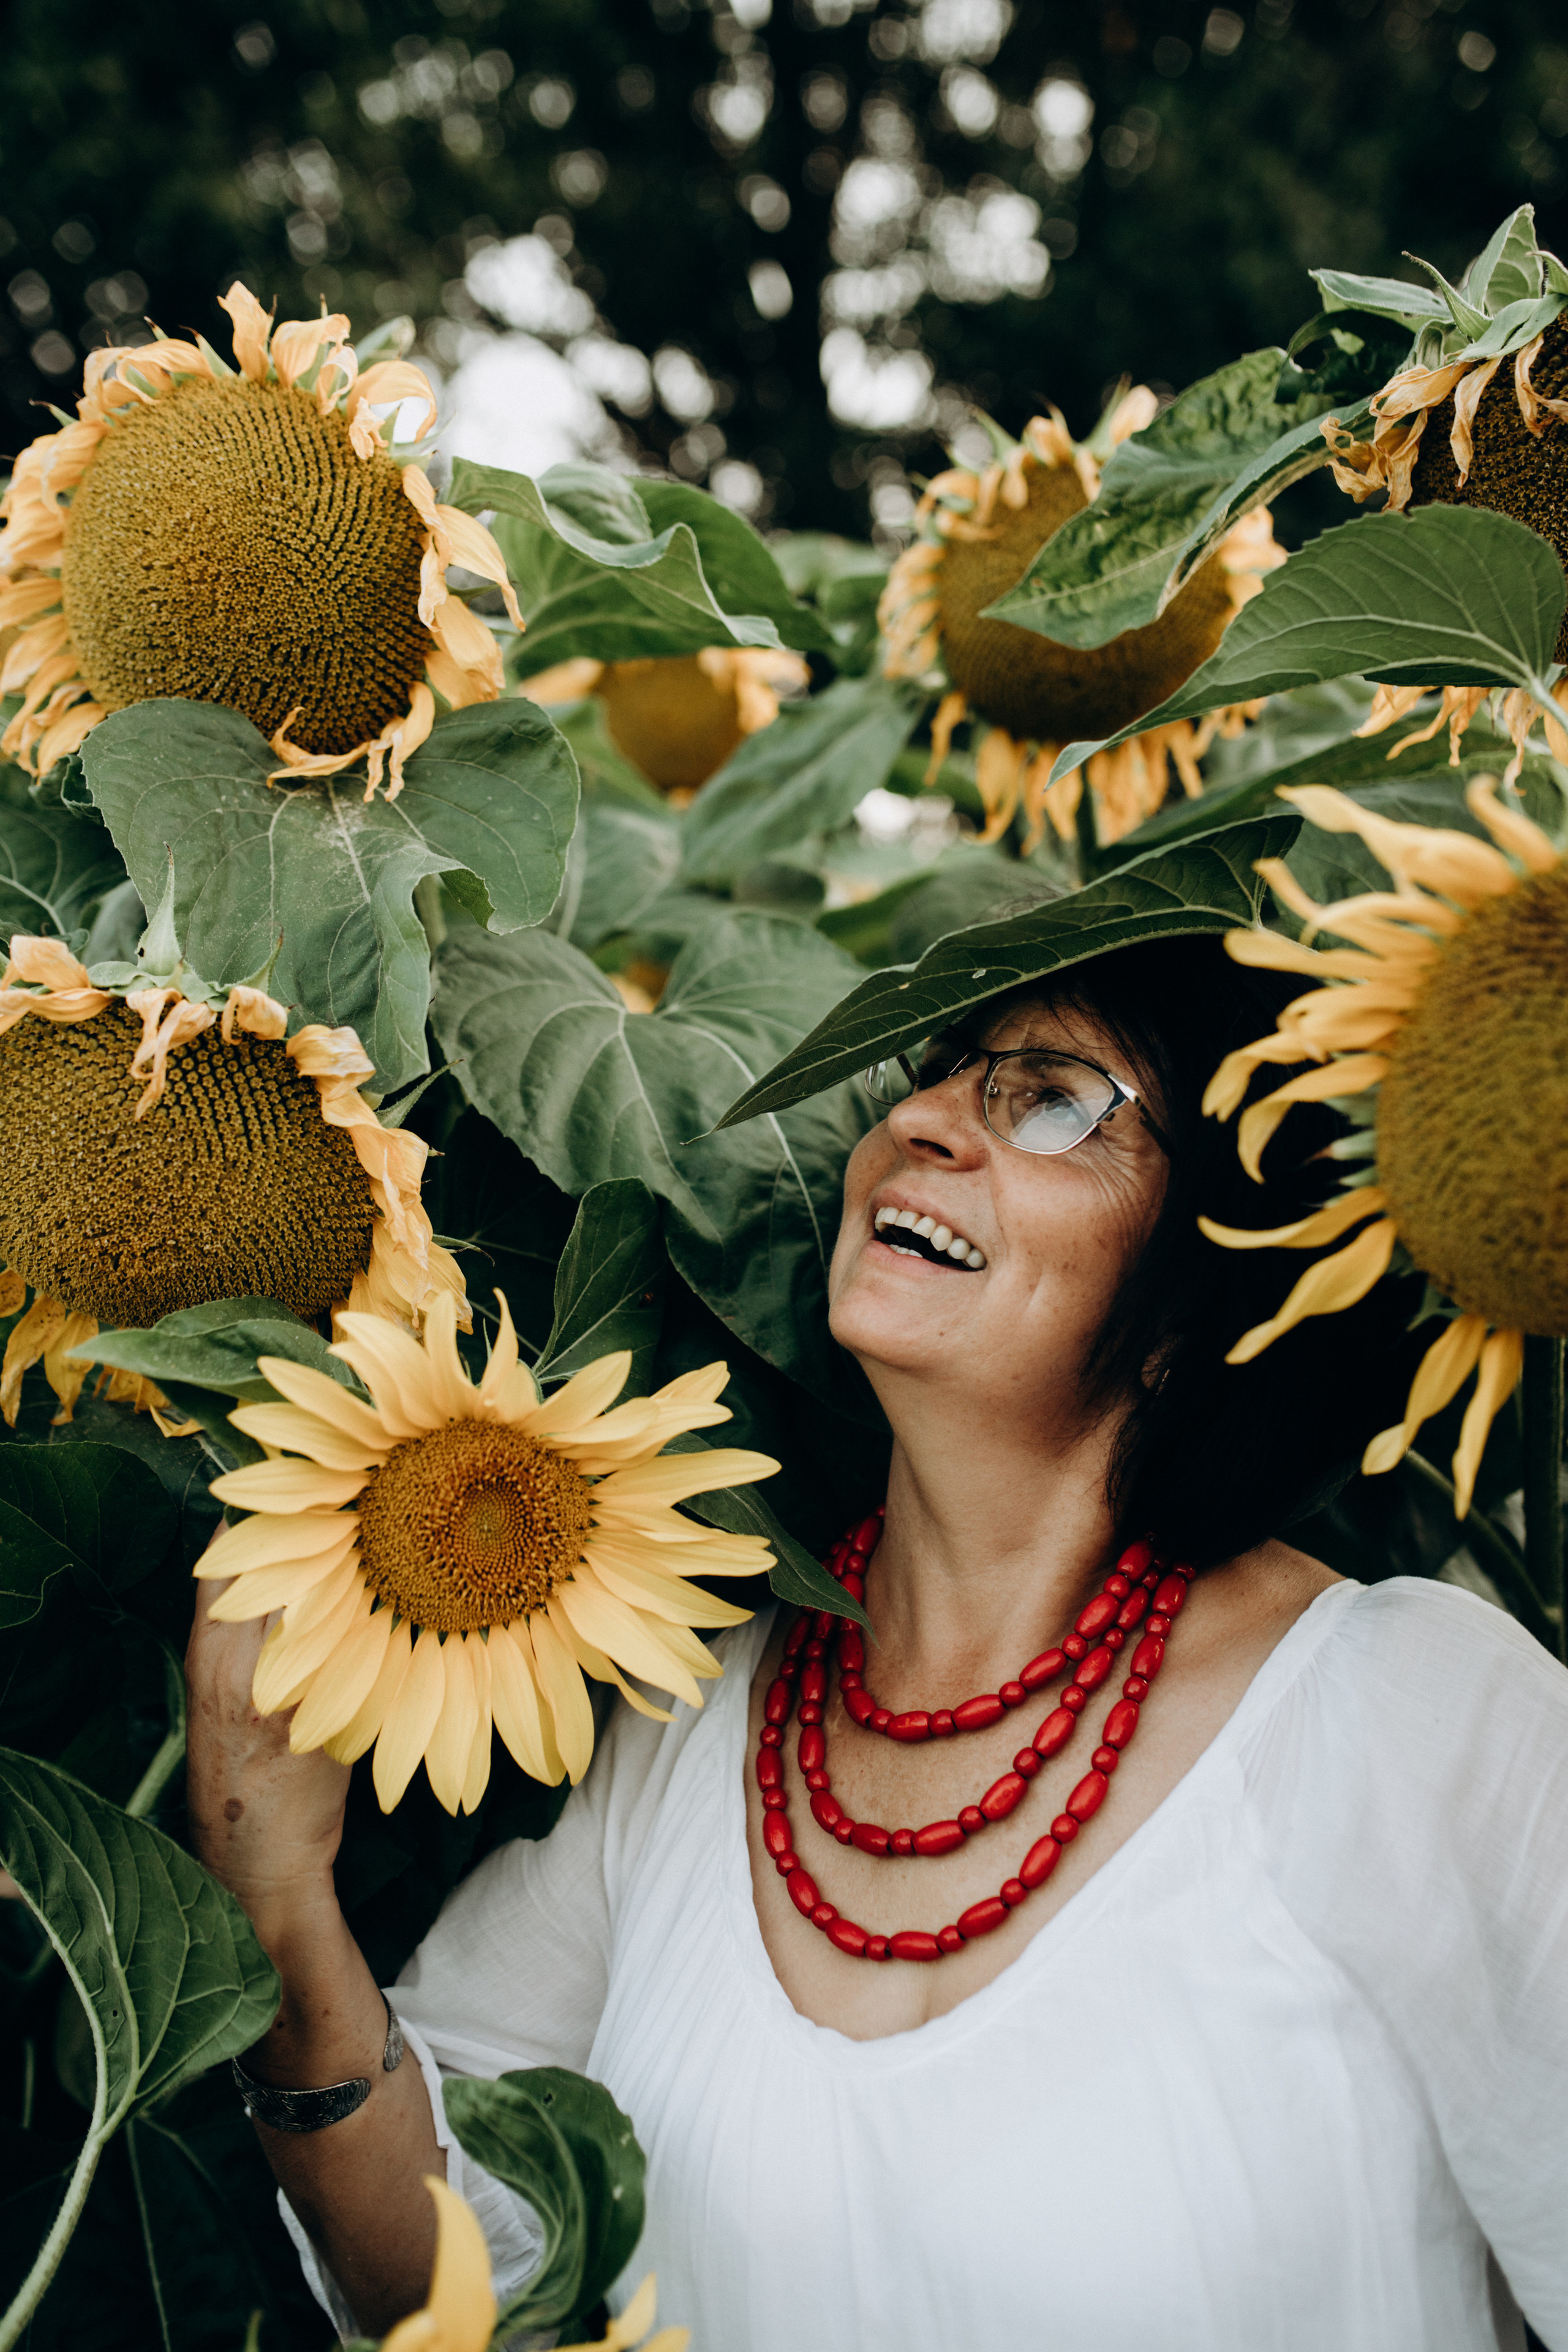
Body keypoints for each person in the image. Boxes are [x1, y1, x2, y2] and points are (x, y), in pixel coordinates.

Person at [187, 934, 1568, 2352]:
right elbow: (465, 2277)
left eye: (1049, 1101)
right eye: (935, 1075)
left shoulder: (1417, 1722)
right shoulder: (694, 1711)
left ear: (1203, 1285)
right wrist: (276, 1894)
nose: (914, 1121)